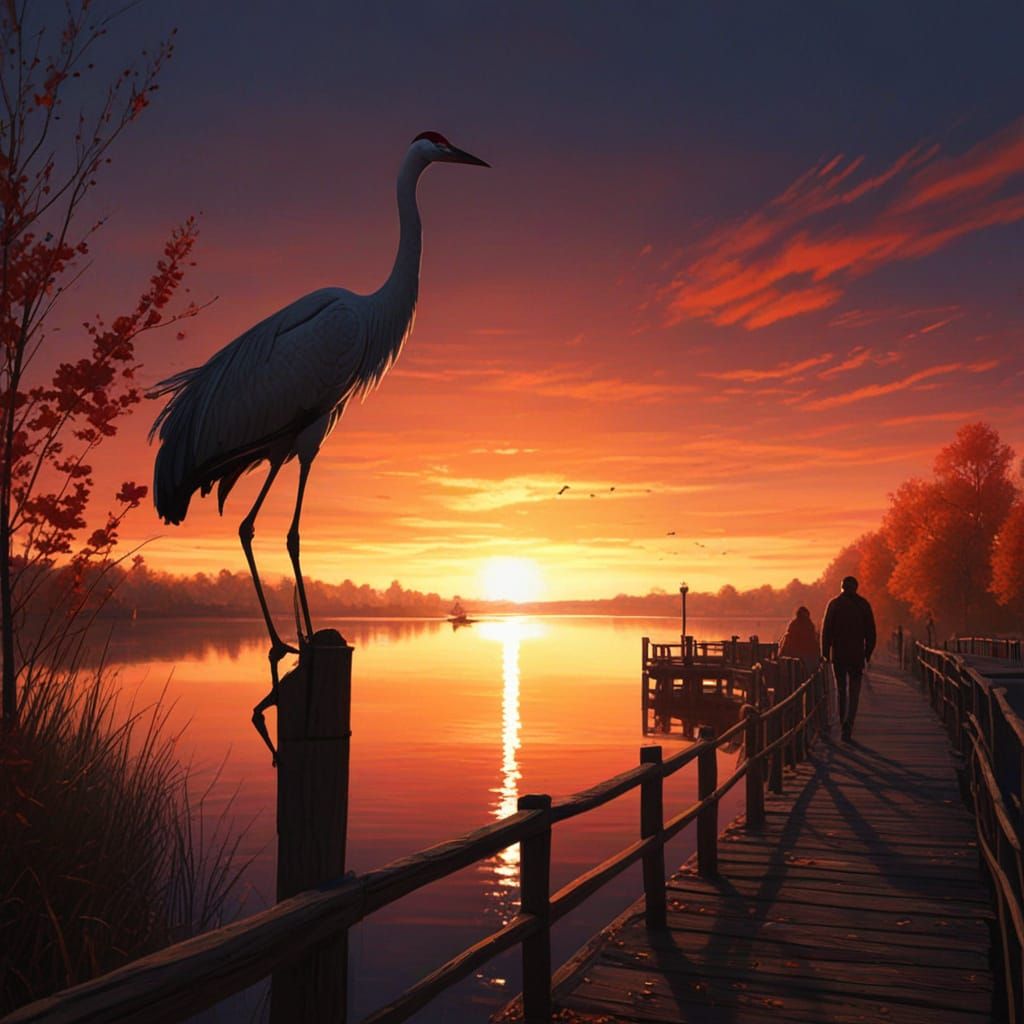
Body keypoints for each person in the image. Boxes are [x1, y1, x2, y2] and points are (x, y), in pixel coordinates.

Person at [821, 576, 876, 742]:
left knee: (841, 689)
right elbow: (871, 632)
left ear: (842, 587)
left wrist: (825, 652)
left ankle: (842, 718)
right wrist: (867, 653)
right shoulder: (863, 605)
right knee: (854, 691)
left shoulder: (834, 604)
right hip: (856, 655)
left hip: (839, 654)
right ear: (856, 588)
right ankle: (849, 723)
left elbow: (826, 630)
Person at [778, 606, 820, 680]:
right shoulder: (808, 626)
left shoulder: (796, 625)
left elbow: (786, 645)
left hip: (797, 662)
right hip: (804, 661)